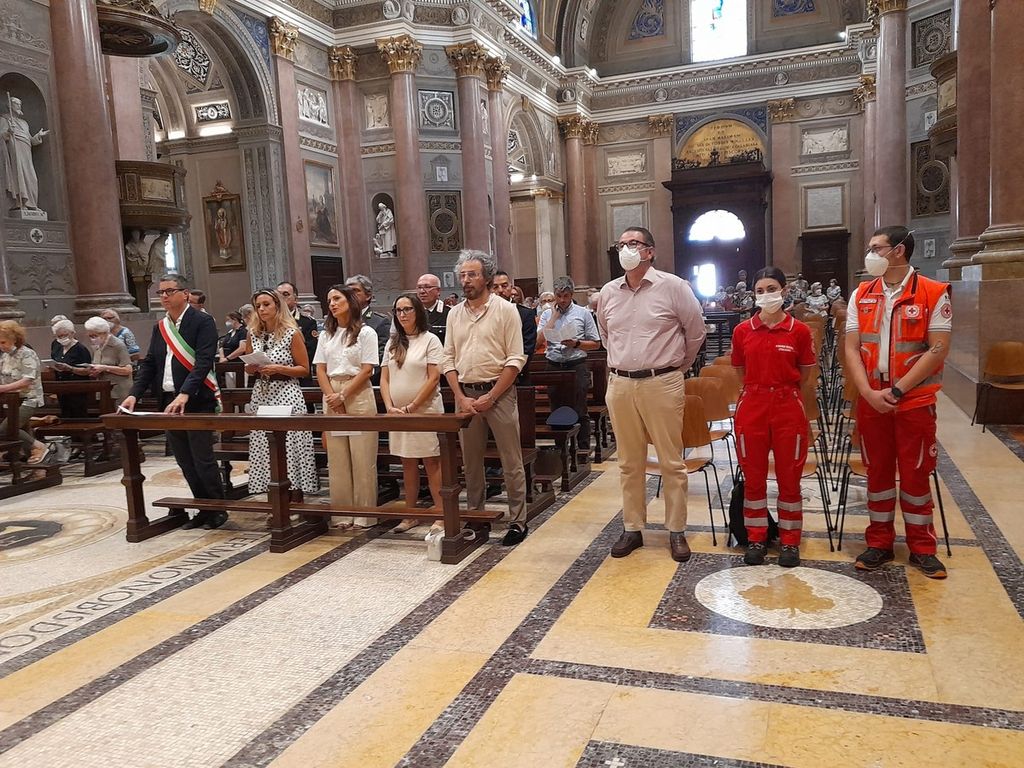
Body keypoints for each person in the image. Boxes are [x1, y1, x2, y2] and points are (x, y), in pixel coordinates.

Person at [845, 225, 952, 579]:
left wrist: (898, 391)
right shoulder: (862, 294)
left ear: (899, 251)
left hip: (913, 402)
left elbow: (937, 349)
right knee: (877, 473)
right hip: (872, 400)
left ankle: (922, 547)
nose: (871, 255)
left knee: (915, 474)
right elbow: (851, 348)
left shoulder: (933, 293)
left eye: (877, 248)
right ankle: (879, 542)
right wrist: (867, 392)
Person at [597, 226, 706, 562]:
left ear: (650, 251)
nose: (626, 249)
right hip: (620, 384)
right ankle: (632, 527)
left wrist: (676, 367)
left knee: (671, 461)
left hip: (662, 382)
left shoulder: (673, 287)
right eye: (621, 244)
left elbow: (695, 332)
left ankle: (676, 530)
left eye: (634, 243)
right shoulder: (608, 292)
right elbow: (606, 335)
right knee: (629, 462)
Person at [121, 274, 227, 530]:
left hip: (196, 400)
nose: (164, 296)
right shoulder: (161, 326)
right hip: (169, 400)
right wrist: (134, 393)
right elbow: (150, 364)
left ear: (185, 293)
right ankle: (202, 508)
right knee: (184, 460)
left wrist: (185, 393)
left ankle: (218, 509)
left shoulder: (202, 321)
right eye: (161, 292)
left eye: (169, 291)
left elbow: (203, 362)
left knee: (202, 459)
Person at [441, 250, 530, 546]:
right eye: (463, 275)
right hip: (466, 394)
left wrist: (492, 396)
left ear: (487, 277)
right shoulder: (455, 314)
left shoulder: (505, 310)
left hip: (499, 394)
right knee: (470, 462)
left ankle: (518, 520)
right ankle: (476, 516)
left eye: (472, 274)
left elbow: (515, 359)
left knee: (511, 460)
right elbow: (448, 358)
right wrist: (460, 396)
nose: (466, 280)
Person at [730, 268, 817, 567]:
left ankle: (790, 541)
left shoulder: (799, 331)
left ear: (784, 290)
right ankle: (757, 537)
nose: (766, 295)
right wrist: (756, 389)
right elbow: (739, 369)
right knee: (753, 479)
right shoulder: (743, 331)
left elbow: (805, 374)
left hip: (787, 406)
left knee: (789, 478)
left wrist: (782, 390)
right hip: (752, 406)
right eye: (760, 290)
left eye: (771, 288)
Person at [314, 284, 380, 528]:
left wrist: (343, 395)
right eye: (329, 300)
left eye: (337, 299)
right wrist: (332, 396)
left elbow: (367, 369)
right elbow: (320, 369)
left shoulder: (366, 332)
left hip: (357, 394)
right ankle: (342, 513)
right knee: (338, 457)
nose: (332, 304)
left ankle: (364, 514)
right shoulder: (326, 335)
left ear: (350, 301)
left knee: (362, 457)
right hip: (332, 393)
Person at [243, 289, 319, 500]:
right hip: (262, 393)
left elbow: (304, 369)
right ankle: (274, 498)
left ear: (278, 306)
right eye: (258, 306)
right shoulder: (252, 334)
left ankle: (295, 496)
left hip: (286, 392)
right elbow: (248, 365)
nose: (262, 309)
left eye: (266, 304)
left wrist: (279, 368)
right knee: (264, 443)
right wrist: (251, 367)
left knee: (290, 444)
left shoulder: (292, 333)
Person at [380, 293, 444, 534]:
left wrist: (413, 406)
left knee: (431, 461)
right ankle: (410, 514)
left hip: (425, 410)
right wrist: (389, 406)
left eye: (407, 309)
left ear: (417, 311)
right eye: (398, 310)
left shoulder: (430, 340)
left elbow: (433, 377)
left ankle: (440, 513)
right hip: (398, 413)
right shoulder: (393, 343)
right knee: (406, 462)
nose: (402, 314)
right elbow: (385, 379)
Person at [539, 276, 602, 452]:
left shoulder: (583, 314)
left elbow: (596, 343)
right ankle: (560, 449)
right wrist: (553, 317)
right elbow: (538, 341)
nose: (562, 300)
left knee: (579, 407)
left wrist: (577, 343)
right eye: (559, 296)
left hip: (576, 365)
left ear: (571, 294)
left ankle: (582, 449)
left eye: (565, 296)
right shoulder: (547, 314)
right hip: (554, 365)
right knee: (556, 407)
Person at [0, 320, 51, 465]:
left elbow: (27, 380)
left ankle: (39, 447)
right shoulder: (5, 356)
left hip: (29, 398)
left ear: (14, 339)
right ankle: (27, 454)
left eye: (3, 342)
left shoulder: (27, 353)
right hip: (11, 400)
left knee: (7, 429)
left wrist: (3, 388)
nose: (1, 346)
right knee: (22, 428)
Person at [1, 96, 48, 210]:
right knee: (19, 175)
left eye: (20, 104)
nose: (19, 106)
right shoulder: (4, 120)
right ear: (10, 106)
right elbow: (2, 136)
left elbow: (30, 140)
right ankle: (20, 203)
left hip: (26, 152)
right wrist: (8, 132)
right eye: (16, 104)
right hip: (15, 151)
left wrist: (38, 136)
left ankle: (32, 204)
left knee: (31, 177)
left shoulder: (24, 123)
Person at [80, 316, 133, 403]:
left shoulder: (117, 345)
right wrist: (94, 371)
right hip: (104, 390)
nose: (92, 339)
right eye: (90, 336)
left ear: (104, 333)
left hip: (119, 391)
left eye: (94, 336)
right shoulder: (97, 347)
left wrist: (105, 368)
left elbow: (128, 370)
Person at [345, 274, 390, 375]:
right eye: (348, 292)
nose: (350, 295)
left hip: (367, 378)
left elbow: (382, 357)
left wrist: (359, 377)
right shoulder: (340, 321)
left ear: (368, 295)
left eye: (355, 291)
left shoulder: (379, 322)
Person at [50, 318, 91, 419]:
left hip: (77, 387)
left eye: (65, 335)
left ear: (72, 333)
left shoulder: (81, 349)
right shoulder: (56, 346)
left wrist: (71, 369)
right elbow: (54, 360)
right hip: (61, 386)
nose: (62, 338)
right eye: (59, 336)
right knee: (65, 412)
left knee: (77, 413)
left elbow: (87, 370)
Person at [492, 270, 537, 358]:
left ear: (511, 288)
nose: (500, 290)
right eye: (495, 287)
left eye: (504, 286)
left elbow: (527, 349)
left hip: (517, 364)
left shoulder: (526, 314)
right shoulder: (484, 313)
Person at [415, 273, 450, 342]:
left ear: (438, 291)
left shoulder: (449, 313)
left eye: (427, 287)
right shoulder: (412, 312)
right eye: (419, 287)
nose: (422, 291)